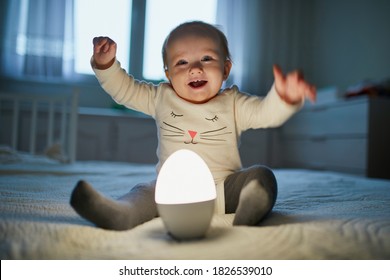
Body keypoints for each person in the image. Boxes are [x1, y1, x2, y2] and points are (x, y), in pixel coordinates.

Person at [70, 21, 316, 230]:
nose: (195, 68)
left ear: (226, 68)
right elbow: (125, 90)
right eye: (182, 63)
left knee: (261, 177)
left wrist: (284, 98)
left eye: (207, 58)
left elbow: (265, 114)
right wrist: (106, 66)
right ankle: (121, 213)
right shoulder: (161, 97)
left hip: (221, 191)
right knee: (144, 191)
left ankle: (248, 211)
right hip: (170, 192)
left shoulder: (232, 103)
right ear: (168, 74)